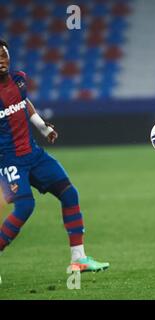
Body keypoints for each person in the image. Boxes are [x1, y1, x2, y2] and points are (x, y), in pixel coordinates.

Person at [0, 39, 109, 274]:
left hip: (34, 154)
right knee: (25, 206)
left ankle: (78, 259)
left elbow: (23, 102)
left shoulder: (19, 79)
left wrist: (43, 127)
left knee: (69, 193)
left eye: (4, 55)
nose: (1, 60)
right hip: (8, 160)